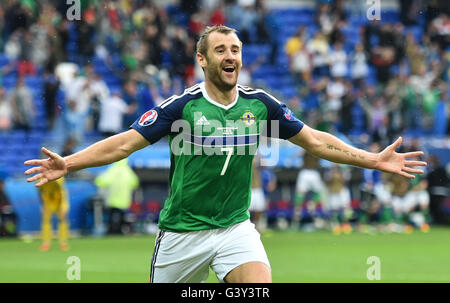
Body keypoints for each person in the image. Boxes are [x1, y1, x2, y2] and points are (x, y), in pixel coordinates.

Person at [24, 25, 427, 283]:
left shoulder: (261, 105)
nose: (230, 56)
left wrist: (372, 159)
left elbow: (315, 140)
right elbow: (125, 143)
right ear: (202, 59)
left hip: (235, 228)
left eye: (235, 49)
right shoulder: (180, 107)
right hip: (182, 234)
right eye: (220, 50)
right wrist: (69, 163)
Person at [94, 158, 139, 235]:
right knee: (122, 216)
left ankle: (111, 230)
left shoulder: (112, 170)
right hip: (124, 200)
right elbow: (135, 183)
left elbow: (100, 181)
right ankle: (120, 231)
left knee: (111, 216)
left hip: (112, 200)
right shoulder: (127, 171)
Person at [38, 177, 70, 251]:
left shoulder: (59, 175)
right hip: (47, 200)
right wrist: (42, 203)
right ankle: (46, 243)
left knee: (62, 219)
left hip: (59, 199)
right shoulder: (41, 176)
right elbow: (39, 189)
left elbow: (59, 187)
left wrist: (63, 204)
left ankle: (63, 242)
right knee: (46, 220)